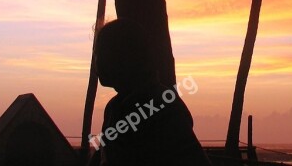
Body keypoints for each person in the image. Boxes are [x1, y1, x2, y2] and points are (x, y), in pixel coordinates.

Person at [88, 19, 210, 166]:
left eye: (100, 53)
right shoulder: (117, 106)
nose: (96, 61)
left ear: (123, 57)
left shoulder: (159, 107)